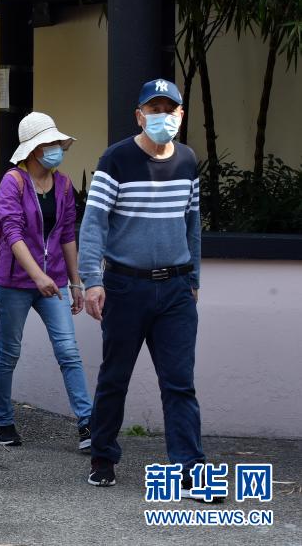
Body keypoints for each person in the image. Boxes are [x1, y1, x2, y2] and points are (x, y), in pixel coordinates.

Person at [79, 79, 206, 497]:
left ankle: (190, 470)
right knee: (115, 377)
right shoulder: (115, 160)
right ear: (139, 115)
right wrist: (92, 281)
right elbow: (94, 224)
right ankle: (102, 457)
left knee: (179, 382)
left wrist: (194, 279)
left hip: (176, 290)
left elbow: (192, 223)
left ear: (181, 115)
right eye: (154, 110)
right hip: (125, 287)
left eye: (170, 110)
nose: (162, 117)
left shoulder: (187, 160)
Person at [0, 112, 92, 451]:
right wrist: (37, 275)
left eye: (57, 143)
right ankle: (3, 422)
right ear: (34, 149)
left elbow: (67, 235)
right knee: (9, 353)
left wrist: (75, 282)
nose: (56, 149)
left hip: (56, 281)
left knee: (68, 351)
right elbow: (12, 233)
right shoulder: (13, 182)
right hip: (15, 282)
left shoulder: (63, 184)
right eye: (50, 143)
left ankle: (87, 424)